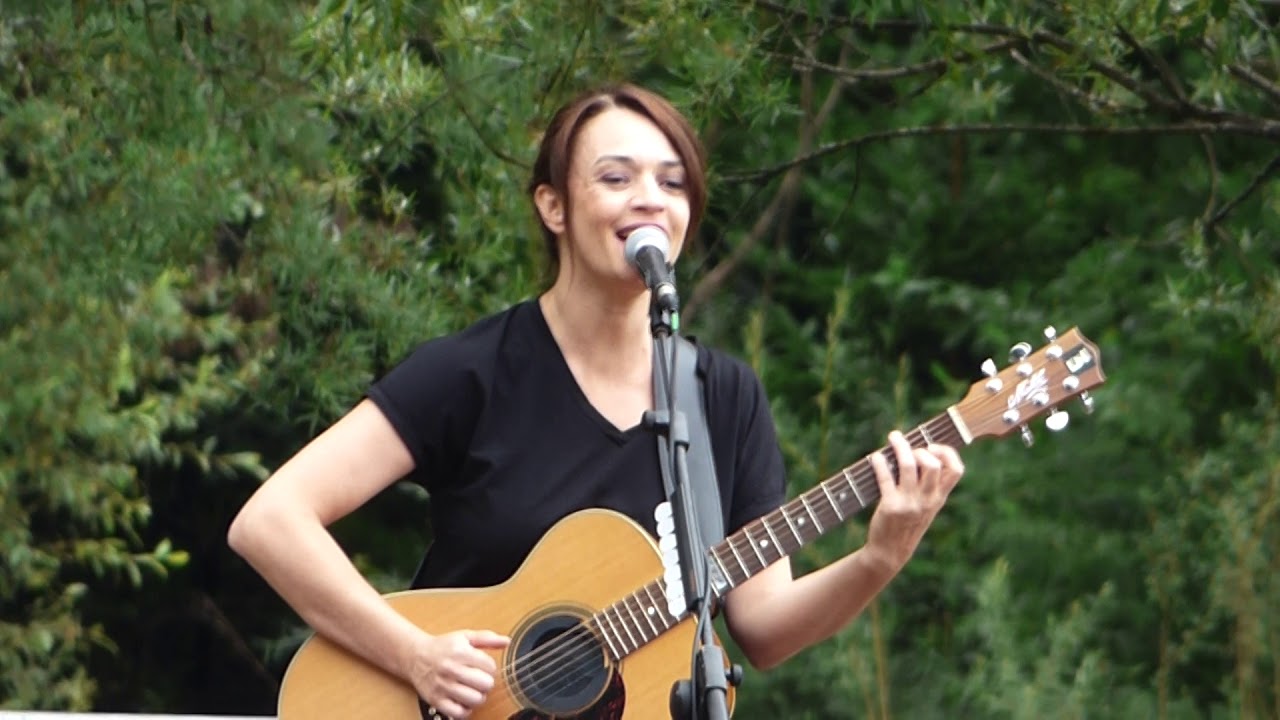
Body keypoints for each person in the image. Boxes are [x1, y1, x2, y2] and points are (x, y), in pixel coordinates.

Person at [227, 83, 964, 719]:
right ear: (553, 206)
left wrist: (877, 558)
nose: (651, 198)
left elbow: (763, 627)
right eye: (617, 178)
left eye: (673, 184)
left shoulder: (723, 397)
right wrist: (416, 656)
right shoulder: (474, 372)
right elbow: (271, 521)